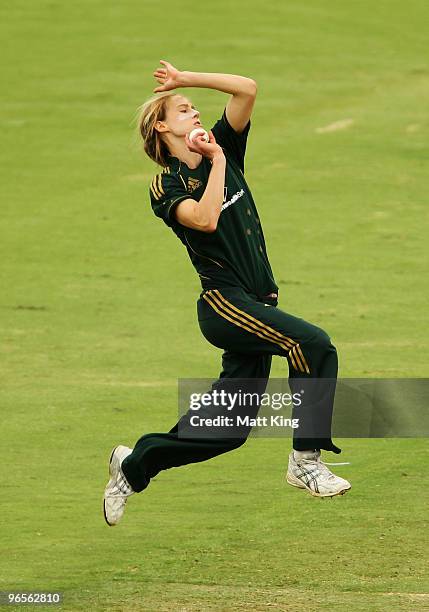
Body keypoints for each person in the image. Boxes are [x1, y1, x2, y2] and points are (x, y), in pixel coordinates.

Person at [103, 60, 351, 526]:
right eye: (183, 110)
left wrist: (184, 81)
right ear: (162, 127)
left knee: (228, 430)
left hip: (258, 302)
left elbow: (247, 89)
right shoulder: (168, 184)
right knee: (312, 344)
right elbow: (206, 219)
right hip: (224, 304)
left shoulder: (225, 146)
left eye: (195, 107)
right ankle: (306, 462)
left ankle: (133, 465)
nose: (195, 113)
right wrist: (216, 161)